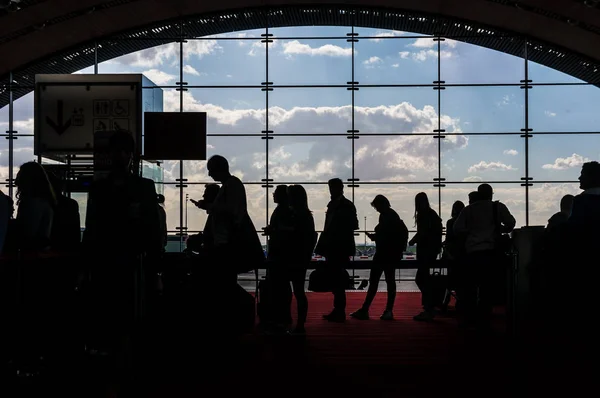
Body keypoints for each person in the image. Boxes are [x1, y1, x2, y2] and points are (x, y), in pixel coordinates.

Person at [350, 195, 408, 321]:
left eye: (376, 206)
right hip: (390, 254)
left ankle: (366, 309)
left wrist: (374, 236)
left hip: (383, 254)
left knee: (375, 281)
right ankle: (387, 310)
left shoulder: (386, 216)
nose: (376, 209)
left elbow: (384, 235)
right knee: (389, 281)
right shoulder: (392, 215)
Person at [314, 178, 359, 322]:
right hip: (338, 247)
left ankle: (339, 310)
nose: (331, 190)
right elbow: (353, 225)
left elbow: (334, 227)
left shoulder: (338, 205)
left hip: (336, 247)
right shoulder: (345, 205)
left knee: (336, 279)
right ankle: (339, 310)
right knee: (337, 279)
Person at [409, 192, 443, 322]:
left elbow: (422, 232)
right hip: (432, 250)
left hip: (425, 251)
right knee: (424, 279)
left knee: (421, 278)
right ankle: (429, 305)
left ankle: (429, 305)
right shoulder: (432, 214)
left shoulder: (423, 215)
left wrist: (413, 241)